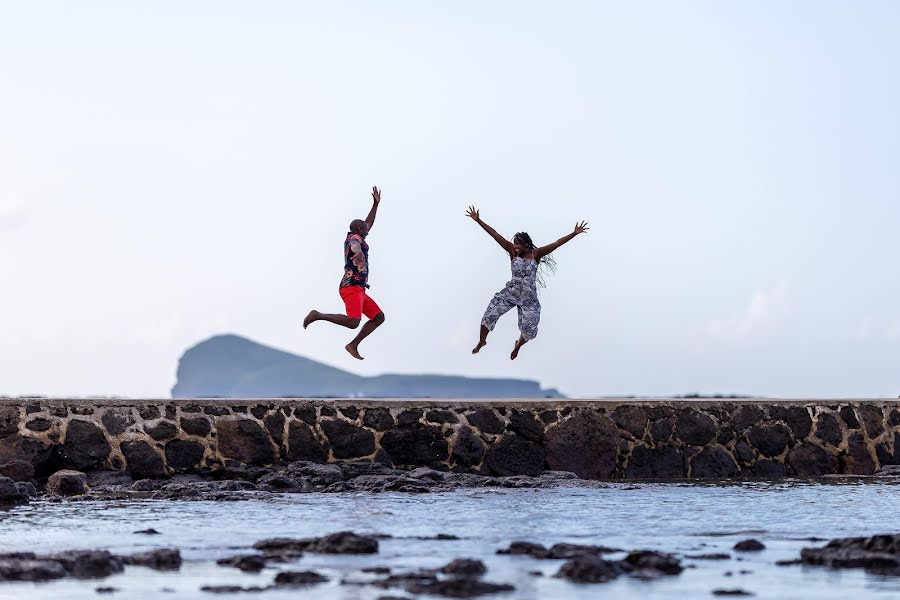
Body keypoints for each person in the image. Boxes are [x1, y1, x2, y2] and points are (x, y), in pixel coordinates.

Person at [466, 206, 588, 360]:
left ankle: (518, 345)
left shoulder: (535, 254)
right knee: (489, 315)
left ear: (526, 245)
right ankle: (482, 341)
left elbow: (556, 243)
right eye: (515, 243)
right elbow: (495, 234)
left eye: (519, 244)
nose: (516, 246)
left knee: (529, 330)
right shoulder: (511, 251)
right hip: (511, 293)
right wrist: (478, 220)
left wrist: (574, 233)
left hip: (528, 299)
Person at [304, 187, 385, 360]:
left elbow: (368, 223)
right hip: (351, 287)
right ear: (358, 229)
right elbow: (355, 245)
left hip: (360, 289)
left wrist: (375, 205)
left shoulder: (360, 235)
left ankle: (353, 345)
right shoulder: (354, 239)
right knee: (353, 322)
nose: (368, 230)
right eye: (365, 229)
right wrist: (357, 253)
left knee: (379, 317)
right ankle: (317, 315)